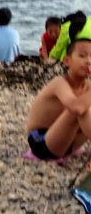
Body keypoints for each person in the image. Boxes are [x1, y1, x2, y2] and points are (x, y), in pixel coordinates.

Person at [25, 30, 91, 161]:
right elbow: (77, 109)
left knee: (85, 105)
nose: (88, 61)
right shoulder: (60, 83)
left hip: (69, 142)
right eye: (82, 56)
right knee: (80, 109)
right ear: (67, 61)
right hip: (41, 141)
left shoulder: (88, 85)